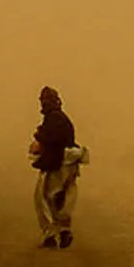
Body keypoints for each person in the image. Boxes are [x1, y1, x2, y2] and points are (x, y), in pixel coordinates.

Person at [30, 86, 86, 249]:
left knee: (44, 199)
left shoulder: (54, 118)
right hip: (69, 164)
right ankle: (63, 231)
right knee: (60, 200)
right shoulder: (60, 118)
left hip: (58, 164)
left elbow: (53, 139)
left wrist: (39, 136)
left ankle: (51, 235)